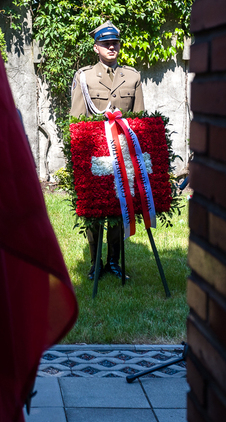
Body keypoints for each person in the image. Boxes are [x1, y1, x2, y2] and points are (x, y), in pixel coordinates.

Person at [70, 21, 144, 281]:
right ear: (96, 48)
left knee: (118, 205)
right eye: (106, 44)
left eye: (115, 43)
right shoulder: (85, 77)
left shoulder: (132, 77)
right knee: (93, 208)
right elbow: (77, 120)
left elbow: (138, 120)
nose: (112, 47)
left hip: (121, 154)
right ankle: (94, 261)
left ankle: (114, 260)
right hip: (94, 154)